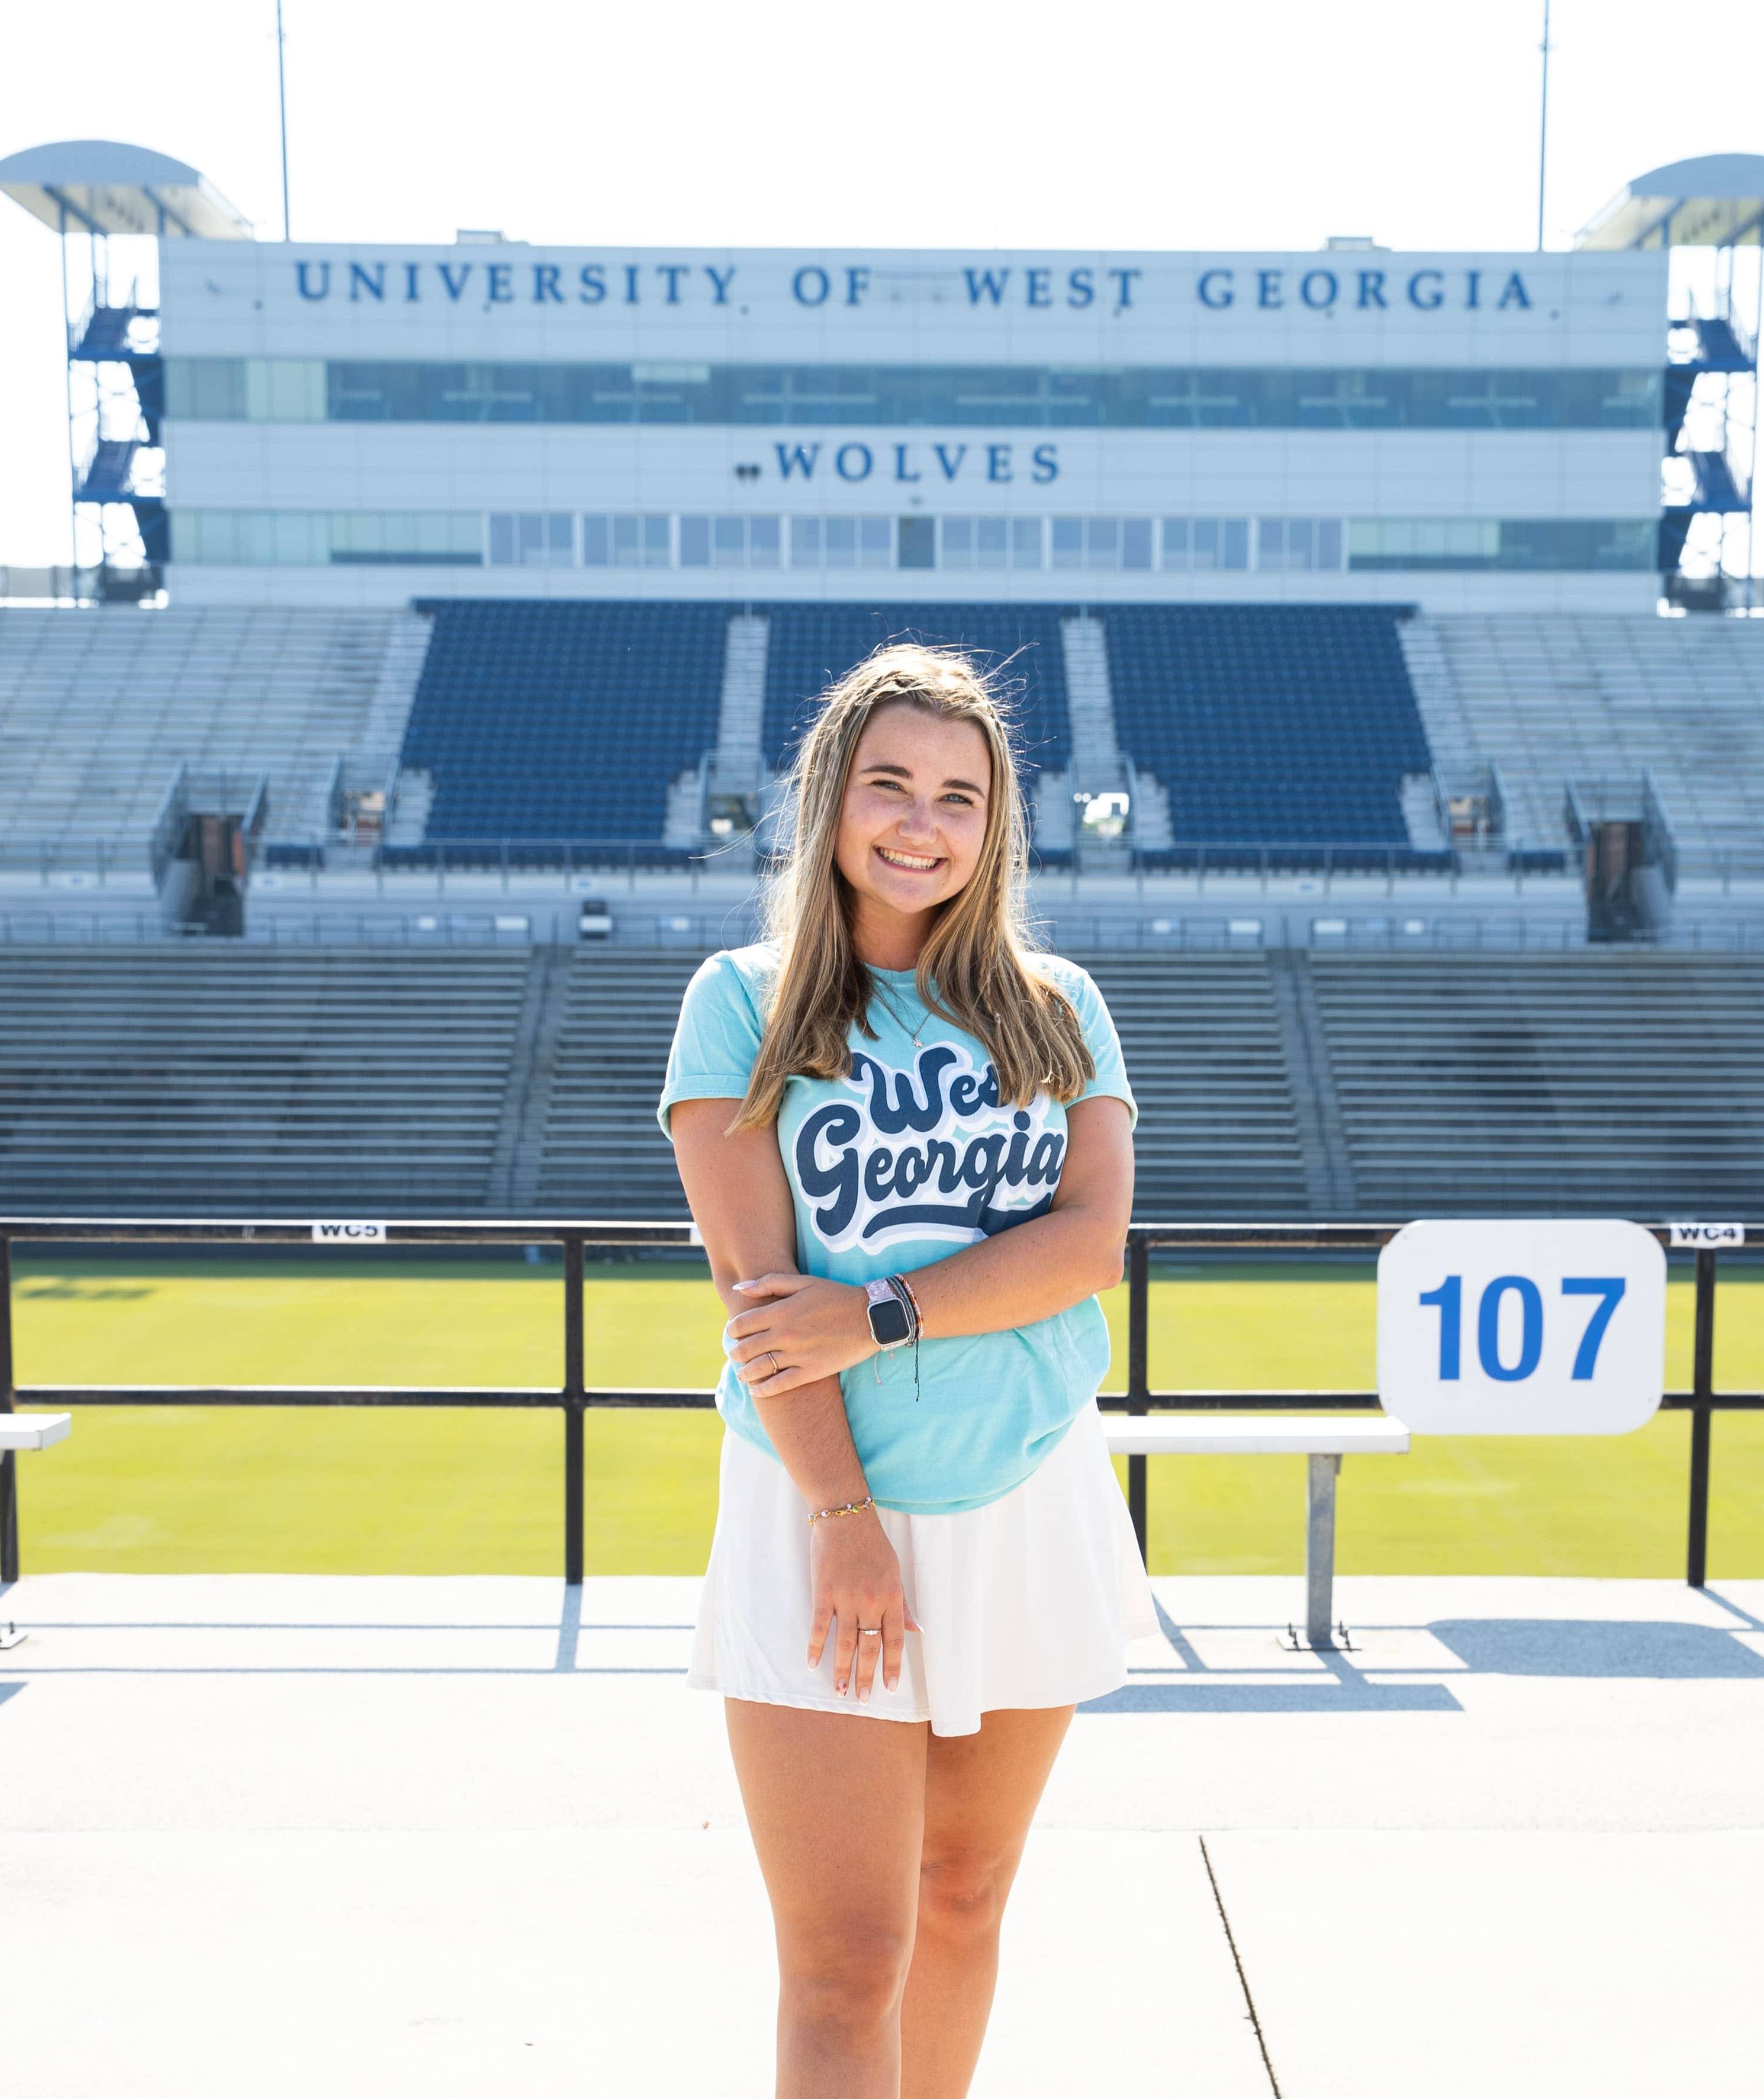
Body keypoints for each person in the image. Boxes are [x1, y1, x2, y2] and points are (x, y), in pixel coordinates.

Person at [659, 640, 1153, 2099]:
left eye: (959, 795)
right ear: (831, 801)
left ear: (996, 824)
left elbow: (1086, 1245)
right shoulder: (741, 1004)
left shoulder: (1054, 1004)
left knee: (962, 1900)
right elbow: (761, 1306)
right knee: (842, 1962)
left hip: (1030, 1495)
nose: (923, 824)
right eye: (891, 787)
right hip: (823, 1511)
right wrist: (846, 1521)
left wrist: (874, 1310)